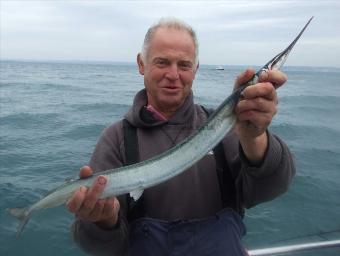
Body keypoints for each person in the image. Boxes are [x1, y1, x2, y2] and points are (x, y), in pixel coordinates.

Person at [67, 17, 295, 256]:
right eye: (162, 62)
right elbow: (97, 245)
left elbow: (270, 189)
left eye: (184, 65)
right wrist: (103, 222)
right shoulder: (116, 138)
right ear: (141, 63)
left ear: (195, 69)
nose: (173, 75)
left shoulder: (227, 128)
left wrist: (254, 137)